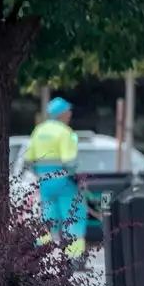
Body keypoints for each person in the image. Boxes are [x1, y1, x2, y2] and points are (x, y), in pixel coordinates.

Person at [26, 97, 86, 267]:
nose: (70, 114)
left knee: (49, 217)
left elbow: (29, 161)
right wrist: (78, 179)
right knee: (74, 215)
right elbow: (69, 162)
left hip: (45, 182)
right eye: (68, 111)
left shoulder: (38, 131)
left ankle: (38, 255)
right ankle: (74, 258)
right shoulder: (65, 133)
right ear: (62, 114)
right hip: (63, 180)